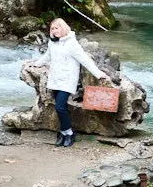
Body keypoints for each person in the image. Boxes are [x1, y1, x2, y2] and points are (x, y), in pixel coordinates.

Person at [43, 18, 107, 148]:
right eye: (53, 29)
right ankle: (63, 133)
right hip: (55, 79)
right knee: (61, 108)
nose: (55, 31)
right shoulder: (52, 42)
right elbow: (47, 56)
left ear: (63, 27)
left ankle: (69, 133)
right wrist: (35, 63)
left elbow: (85, 60)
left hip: (67, 80)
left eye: (57, 28)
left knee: (59, 107)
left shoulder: (72, 43)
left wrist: (98, 73)